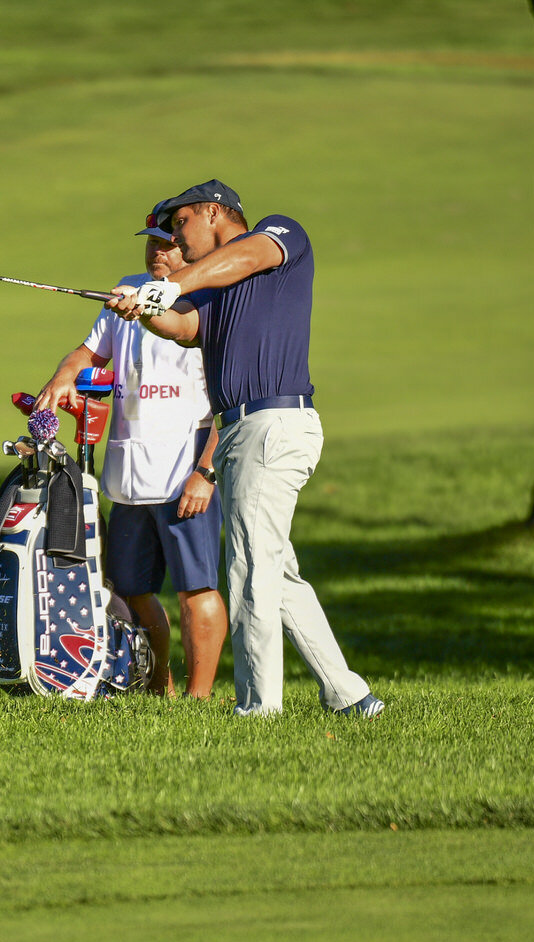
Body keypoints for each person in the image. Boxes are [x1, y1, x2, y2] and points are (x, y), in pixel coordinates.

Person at [110, 180, 384, 720]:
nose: (175, 237)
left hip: (274, 422)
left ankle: (259, 709)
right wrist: (143, 304)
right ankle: (349, 695)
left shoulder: (278, 236)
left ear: (215, 211)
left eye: (181, 223)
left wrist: (171, 283)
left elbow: (247, 256)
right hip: (239, 432)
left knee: (250, 568)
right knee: (276, 569)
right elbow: (186, 326)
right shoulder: (213, 285)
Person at [35, 208, 228, 699]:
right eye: (152, 242)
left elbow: (228, 406)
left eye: (167, 242)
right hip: (128, 479)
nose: (157, 251)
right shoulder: (124, 291)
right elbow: (88, 353)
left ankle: (199, 695)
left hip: (185, 476)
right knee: (130, 589)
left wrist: (205, 472)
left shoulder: (208, 298)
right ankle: (156, 682)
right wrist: (63, 376)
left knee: (196, 589)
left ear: (187, 245)